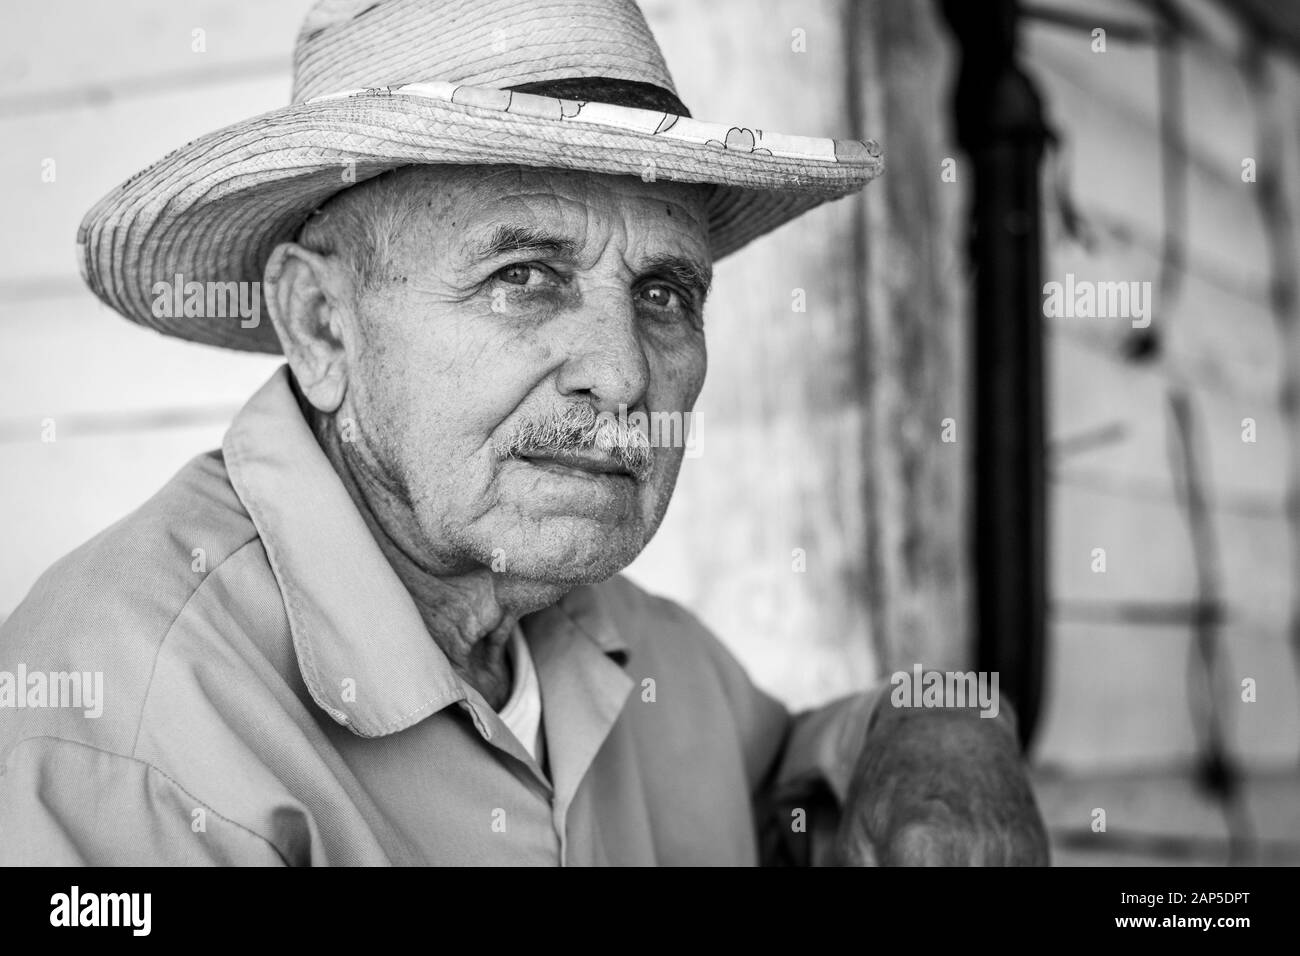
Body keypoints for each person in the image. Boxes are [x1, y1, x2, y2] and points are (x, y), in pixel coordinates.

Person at [0, 0, 1047, 865]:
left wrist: (933, 727)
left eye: (666, 292)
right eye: (524, 276)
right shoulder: (132, 726)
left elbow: (788, 778)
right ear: (323, 326)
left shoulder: (619, 639)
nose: (625, 371)